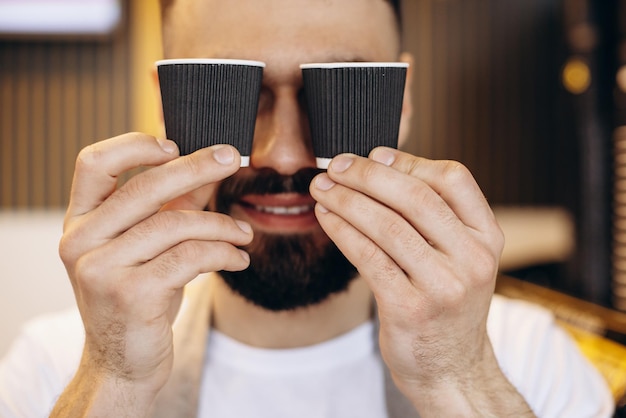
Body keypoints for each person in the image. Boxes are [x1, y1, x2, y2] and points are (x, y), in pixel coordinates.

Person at [0, 0, 615, 416]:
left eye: (338, 92)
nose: (289, 155)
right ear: (169, 103)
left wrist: (458, 379)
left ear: (399, 102)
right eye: (237, 93)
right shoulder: (55, 365)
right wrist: (114, 382)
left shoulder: (528, 357)